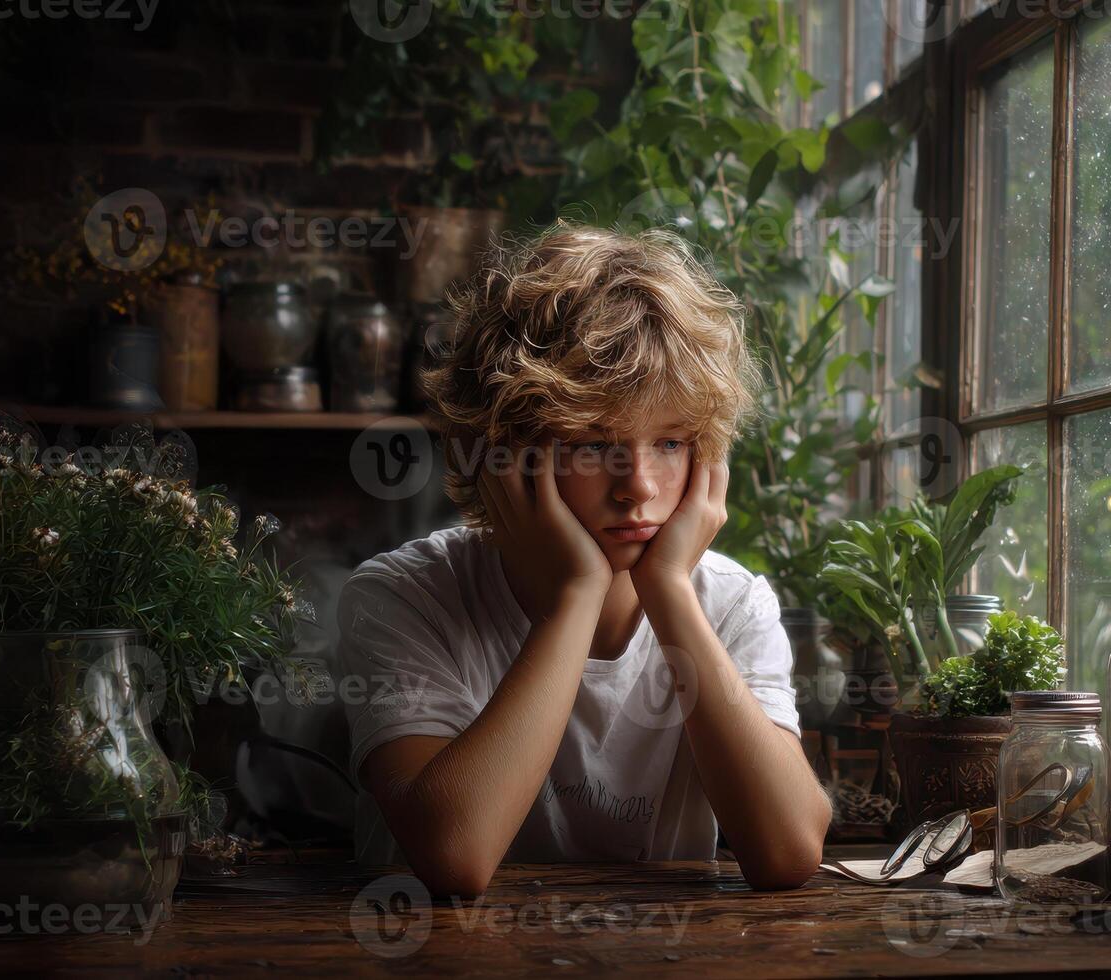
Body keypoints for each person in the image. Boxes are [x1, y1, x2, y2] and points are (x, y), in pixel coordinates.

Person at [335, 223, 833, 895]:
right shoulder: (402, 598)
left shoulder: (732, 604)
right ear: (504, 452)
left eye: (671, 443)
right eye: (593, 444)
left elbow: (789, 852)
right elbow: (455, 857)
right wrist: (576, 596)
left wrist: (670, 590)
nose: (639, 487)